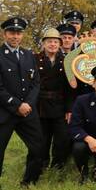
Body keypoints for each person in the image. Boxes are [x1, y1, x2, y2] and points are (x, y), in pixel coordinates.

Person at [0, 16, 44, 187]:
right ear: (5, 34)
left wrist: (27, 105)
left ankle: (29, 181)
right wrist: (17, 105)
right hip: (5, 111)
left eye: (18, 33)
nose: (15, 36)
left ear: (22, 35)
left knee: (38, 146)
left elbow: (35, 83)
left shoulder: (28, 55)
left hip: (27, 111)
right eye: (12, 32)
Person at [36, 27, 74, 170]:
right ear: (44, 43)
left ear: (60, 44)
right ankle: (42, 163)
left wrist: (69, 109)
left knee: (61, 138)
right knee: (42, 137)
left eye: (55, 42)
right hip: (41, 105)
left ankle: (58, 165)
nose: (52, 44)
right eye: (49, 41)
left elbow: (70, 89)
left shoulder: (66, 61)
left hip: (60, 105)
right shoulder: (35, 59)